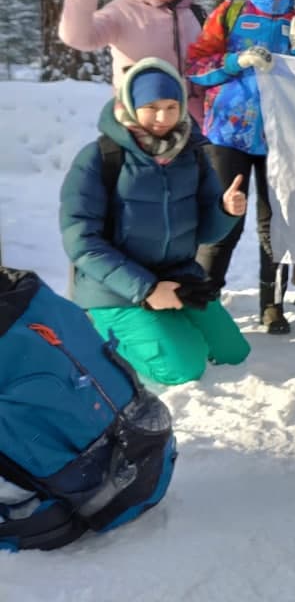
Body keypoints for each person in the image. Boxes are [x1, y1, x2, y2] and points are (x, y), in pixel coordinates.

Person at [59, 59, 251, 384]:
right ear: (131, 106)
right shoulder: (99, 158)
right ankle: (102, 331)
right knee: (182, 369)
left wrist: (225, 211)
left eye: (171, 107)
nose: (163, 118)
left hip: (176, 279)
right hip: (115, 289)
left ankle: (165, 329)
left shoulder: (191, 155)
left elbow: (206, 233)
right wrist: (146, 289)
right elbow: (82, 242)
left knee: (233, 352)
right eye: (151, 108)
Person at [187, 0, 295, 334]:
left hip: (280, 136)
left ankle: (272, 306)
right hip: (227, 134)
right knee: (223, 220)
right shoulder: (231, 13)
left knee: (274, 225)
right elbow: (196, 67)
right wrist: (236, 61)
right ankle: (203, 302)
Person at [58, 0, 207, 127]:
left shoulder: (196, 14)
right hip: (141, 123)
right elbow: (77, 38)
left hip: (195, 123)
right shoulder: (123, 11)